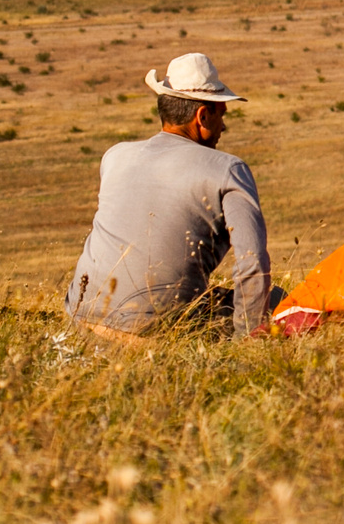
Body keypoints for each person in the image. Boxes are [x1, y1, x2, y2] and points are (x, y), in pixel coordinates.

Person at [65, 51, 280, 340]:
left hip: (81, 321)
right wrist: (248, 342)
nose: (223, 127)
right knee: (278, 299)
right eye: (221, 115)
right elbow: (252, 263)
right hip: (157, 332)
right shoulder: (228, 169)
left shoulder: (114, 156)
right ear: (202, 117)